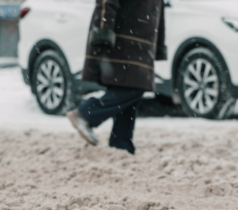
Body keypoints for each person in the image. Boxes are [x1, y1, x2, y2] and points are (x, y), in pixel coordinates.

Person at [66, 0, 167, 155]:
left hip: (139, 41)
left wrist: (158, 43)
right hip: (124, 37)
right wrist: (103, 32)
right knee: (136, 86)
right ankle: (85, 114)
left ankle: (121, 146)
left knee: (127, 90)